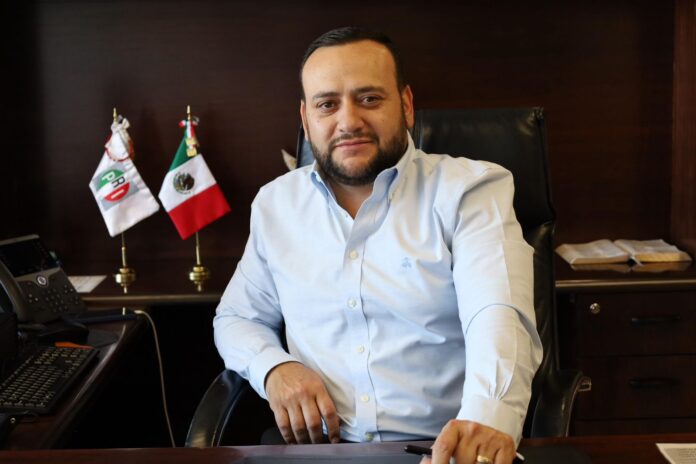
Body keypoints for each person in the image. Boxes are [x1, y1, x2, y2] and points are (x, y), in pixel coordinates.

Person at [213, 26, 542, 464]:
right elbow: (237, 317)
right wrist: (274, 368)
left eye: (369, 99)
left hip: (444, 448)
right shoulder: (277, 205)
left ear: (406, 105)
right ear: (306, 119)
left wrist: (485, 420)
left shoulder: (469, 191)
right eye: (327, 104)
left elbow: (497, 314)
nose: (349, 121)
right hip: (319, 453)